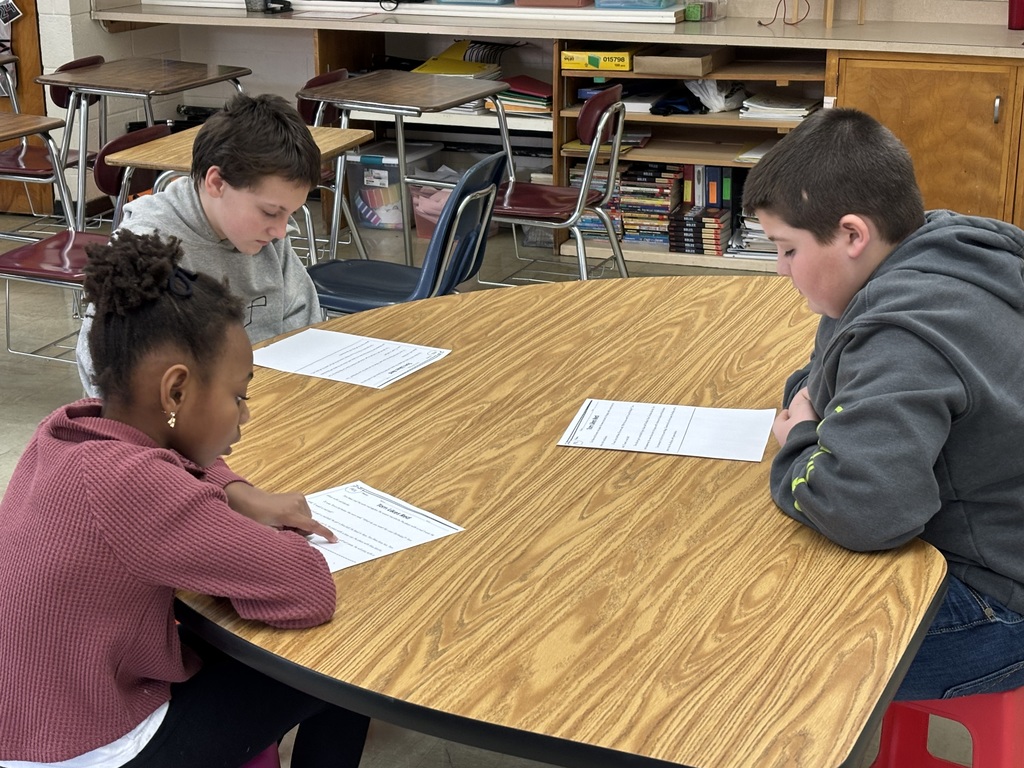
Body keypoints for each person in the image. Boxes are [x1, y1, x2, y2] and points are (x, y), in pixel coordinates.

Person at [0, 231, 368, 767]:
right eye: (238, 395)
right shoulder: (138, 488)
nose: (244, 416)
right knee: (343, 670)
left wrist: (234, 490)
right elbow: (304, 590)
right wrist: (257, 541)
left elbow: (174, 464)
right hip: (92, 747)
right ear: (175, 391)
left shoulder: (70, 431)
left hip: (32, 720)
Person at [742, 107, 1024, 701]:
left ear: (851, 234)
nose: (780, 269)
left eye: (787, 250)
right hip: (1006, 546)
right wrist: (819, 402)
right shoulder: (949, 248)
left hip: (999, 611)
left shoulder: (904, 334)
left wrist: (801, 440)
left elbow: (866, 511)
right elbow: (833, 370)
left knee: (744, 651)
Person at [76, 91, 323, 396]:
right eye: (271, 212)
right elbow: (101, 370)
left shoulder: (266, 236)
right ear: (217, 183)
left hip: (267, 402)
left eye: (290, 214)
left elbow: (305, 328)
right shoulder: (146, 248)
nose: (281, 230)